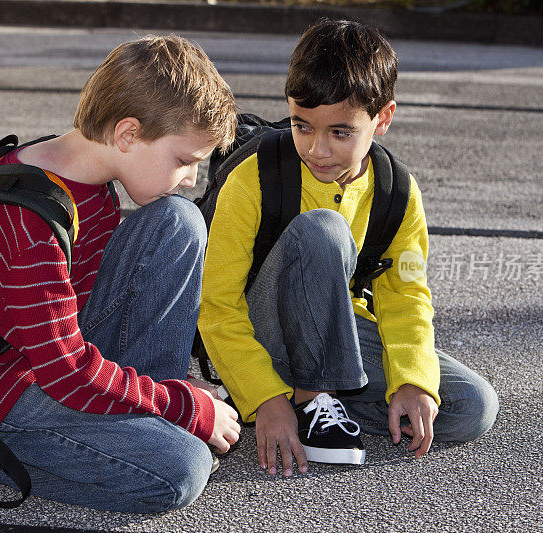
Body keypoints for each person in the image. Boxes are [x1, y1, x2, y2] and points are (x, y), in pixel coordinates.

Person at [0, 35, 240, 513]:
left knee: (179, 220)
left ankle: (145, 417)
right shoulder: (30, 225)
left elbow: (73, 328)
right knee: (183, 469)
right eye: (183, 161)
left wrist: (164, 398)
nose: (192, 178)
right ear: (128, 134)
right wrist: (184, 406)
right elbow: (65, 373)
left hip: (47, 355)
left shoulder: (85, 178)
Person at [198, 19, 499, 477]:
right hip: (259, 330)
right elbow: (217, 305)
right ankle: (299, 398)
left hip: (338, 335)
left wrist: (412, 380)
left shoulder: (398, 192)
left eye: (340, 132)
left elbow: (406, 296)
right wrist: (264, 395)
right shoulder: (255, 177)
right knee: (324, 230)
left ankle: (313, 405)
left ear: (382, 118)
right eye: (303, 126)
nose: (317, 149)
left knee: (468, 407)